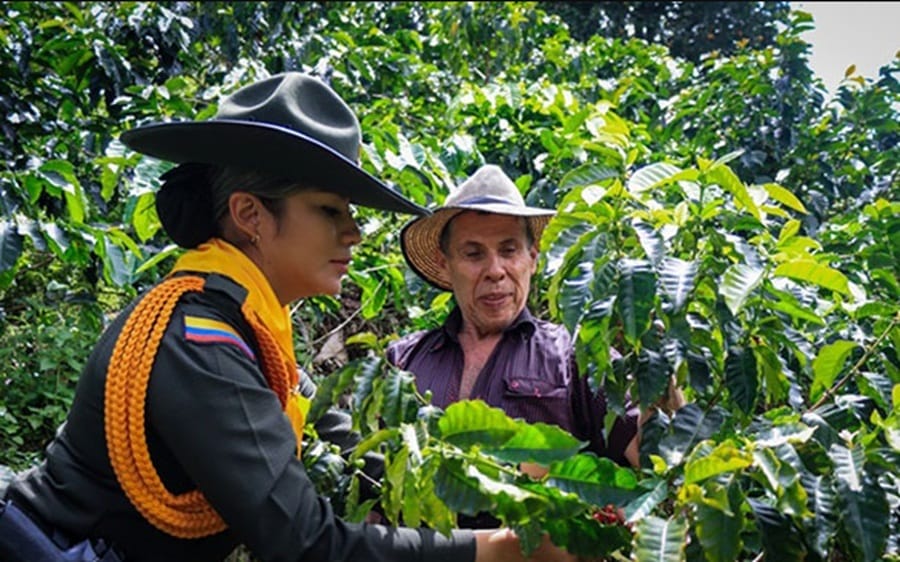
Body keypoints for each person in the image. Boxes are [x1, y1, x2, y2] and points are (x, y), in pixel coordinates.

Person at [0, 73, 577, 562]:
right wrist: (494, 549)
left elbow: (365, 454)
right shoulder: (198, 342)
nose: (352, 232)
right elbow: (303, 542)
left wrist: (523, 501)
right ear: (250, 214)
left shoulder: (253, 340)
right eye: (329, 210)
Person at [386, 165, 643, 486]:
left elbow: (652, 459)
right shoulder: (403, 362)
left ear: (532, 258)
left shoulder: (578, 356)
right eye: (473, 253)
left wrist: (662, 377)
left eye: (509, 251)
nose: (495, 270)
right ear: (445, 264)